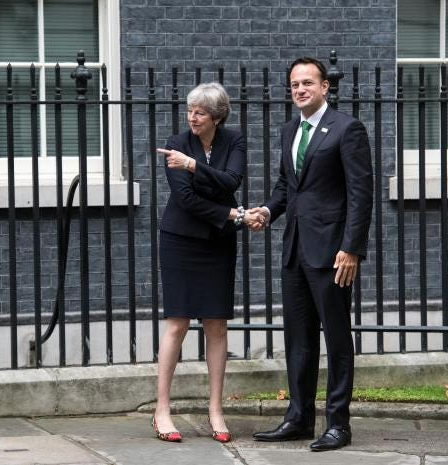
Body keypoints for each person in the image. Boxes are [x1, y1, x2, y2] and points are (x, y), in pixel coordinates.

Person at [249, 57, 373, 452]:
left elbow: (361, 193)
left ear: (324, 87)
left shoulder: (346, 129)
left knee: (336, 339)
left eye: (307, 83)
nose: (300, 90)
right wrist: (267, 211)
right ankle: (299, 418)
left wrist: (351, 248)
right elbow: (287, 186)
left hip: (332, 253)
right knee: (298, 339)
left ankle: (338, 424)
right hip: (296, 251)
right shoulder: (291, 130)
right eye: (294, 85)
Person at [154, 82, 259, 443]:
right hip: (180, 240)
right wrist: (234, 213)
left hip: (218, 242)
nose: (192, 117)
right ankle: (162, 410)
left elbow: (231, 181)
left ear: (217, 116)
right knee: (178, 323)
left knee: (216, 324)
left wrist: (193, 166)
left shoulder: (234, 140)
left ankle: (216, 409)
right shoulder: (176, 142)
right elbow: (185, 199)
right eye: (190, 111)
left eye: (200, 112)